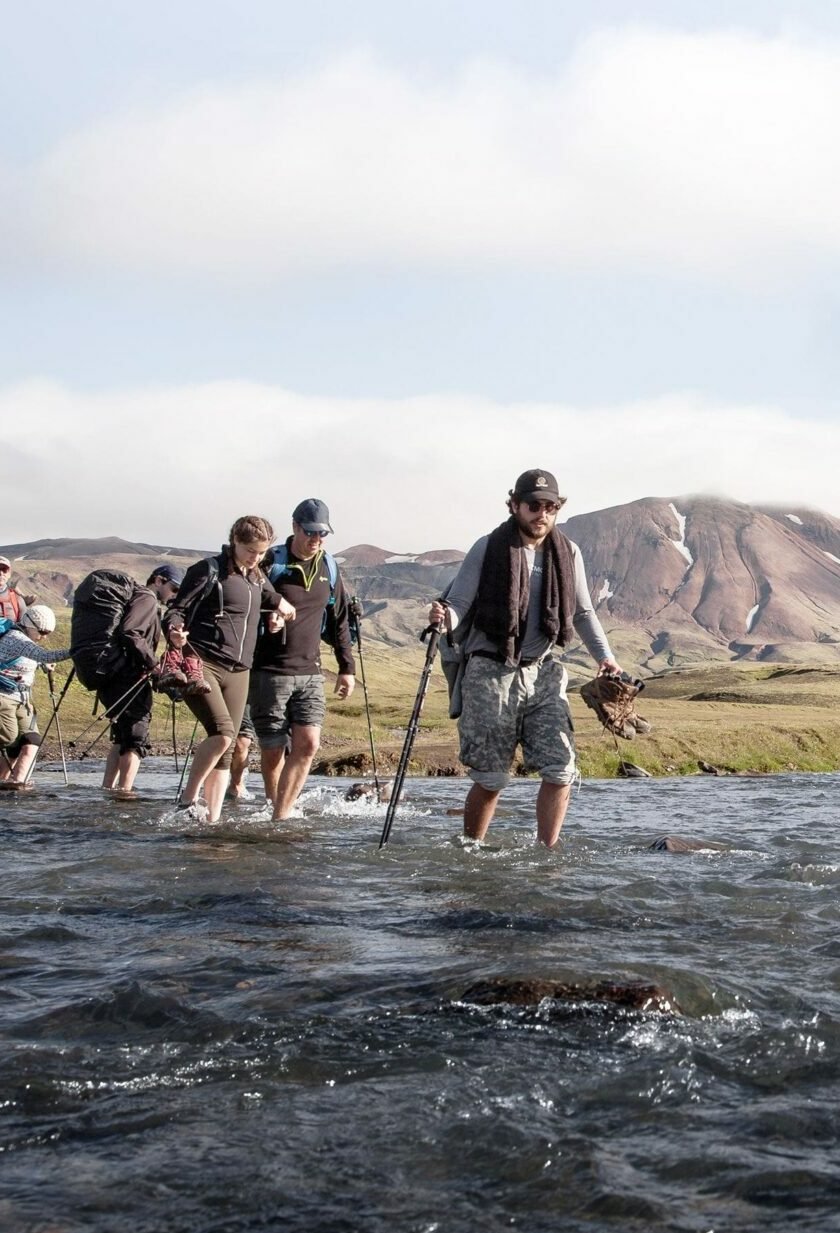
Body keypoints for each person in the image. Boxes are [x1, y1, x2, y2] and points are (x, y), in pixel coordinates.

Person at [428, 468, 622, 848]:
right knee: (491, 777)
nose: (542, 514)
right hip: (489, 670)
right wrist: (442, 618)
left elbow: (583, 613)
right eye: (534, 505)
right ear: (514, 505)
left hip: (544, 671)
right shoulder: (487, 547)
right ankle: (471, 850)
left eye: (551, 507)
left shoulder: (569, 553)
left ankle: (546, 854)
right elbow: (460, 603)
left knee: (561, 767)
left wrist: (606, 658)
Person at [163, 516, 295, 823]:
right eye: (250, 550)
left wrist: (280, 609)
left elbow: (268, 596)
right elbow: (177, 609)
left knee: (227, 748)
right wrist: (174, 629)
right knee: (223, 734)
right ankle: (188, 800)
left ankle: (212, 820)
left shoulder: (257, 575)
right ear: (234, 540)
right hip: (202, 663)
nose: (255, 557)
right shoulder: (208, 571)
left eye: (261, 552)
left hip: (240, 671)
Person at [249, 498, 356, 822]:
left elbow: (338, 619)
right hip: (270, 671)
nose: (316, 539)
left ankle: (281, 814)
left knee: (308, 743)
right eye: (310, 532)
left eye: (323, 533)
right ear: (295, 527)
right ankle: (275, 807)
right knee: (272, 748)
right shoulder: (271, 562)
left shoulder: (329, 567)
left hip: (311, 671)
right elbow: (249, 600)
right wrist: (269, 613)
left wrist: (346, 668)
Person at [71, 564, 184, 794]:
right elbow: (131, 632)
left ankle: (109, 790)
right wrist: (154, 666)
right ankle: (125, 792)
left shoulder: (138, 597)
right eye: (173, 588)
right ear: (159, 580)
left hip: (111, 673)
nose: (173, 595)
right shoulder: (147, 598)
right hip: (128, 676)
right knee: (136, 735)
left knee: (121, 736)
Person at [0, 605, 72, 786]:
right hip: (4, 696)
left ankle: (17, 784)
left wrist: (41, 665)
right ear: (29, 624)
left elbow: (30, 658)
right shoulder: (16, 638)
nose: (44, 636)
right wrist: (76, 651)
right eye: (42, 631)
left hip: (22, 699)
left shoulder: (26, 640)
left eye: (48, 632)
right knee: (9, 738)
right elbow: (45, 655)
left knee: (31, 739)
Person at [0, 556, 33, 623]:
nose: (1, 573)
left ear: (9, 574)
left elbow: (23, 628)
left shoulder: (17, 600)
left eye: (4, 570)